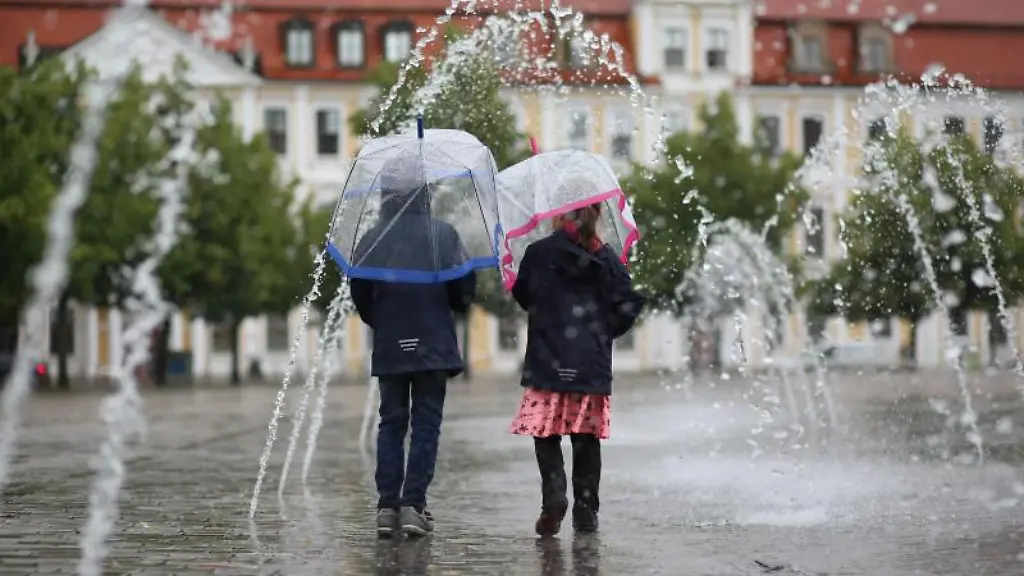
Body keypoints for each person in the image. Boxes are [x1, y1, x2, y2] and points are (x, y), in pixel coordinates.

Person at [349, 166, 476, 538]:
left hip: (391, 343)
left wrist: (384, 321)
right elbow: (463, 288)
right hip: (432, 342)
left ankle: (387, 506)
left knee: (391, 422)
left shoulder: (373, 238)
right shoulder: (444, 235)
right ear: (425, 194)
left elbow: (360, 294)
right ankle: (413, 505)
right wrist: (451, 304)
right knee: (425, 424)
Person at [509, 202, 645, 536]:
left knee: (546, 434)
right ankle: (586, 513)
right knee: (586, 440)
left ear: (558, 214)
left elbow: (524, 295)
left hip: (548, 359)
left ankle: (554, 498)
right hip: (589, 364)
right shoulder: (608, 259)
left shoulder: (539, 253)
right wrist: (601, 331)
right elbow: (628, 304)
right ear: (596, 215)